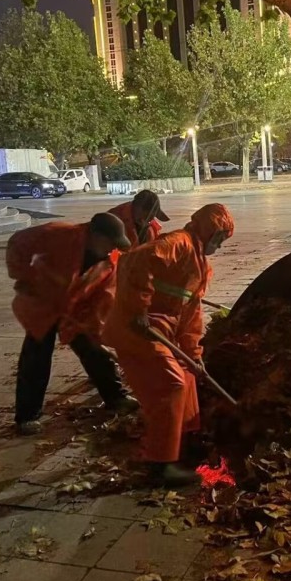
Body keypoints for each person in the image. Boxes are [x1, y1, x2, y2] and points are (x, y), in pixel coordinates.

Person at [102, 203, 235, 486]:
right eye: (220, 238)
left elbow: (190, 315)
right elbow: (133, 261)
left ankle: (182, 443)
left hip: (160, 331)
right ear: (209, 230)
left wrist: (193, 355)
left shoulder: (200, 265)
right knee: (170, 385)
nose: (220, 245)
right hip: (138, 329)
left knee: (187, 377)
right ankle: (161, 465)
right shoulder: (179, 244)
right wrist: (138, 309)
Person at [8, 213, 133, 435]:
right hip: (43, 305)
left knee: (94, 351)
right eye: (109, 243)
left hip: (75, 310)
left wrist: (95, 327)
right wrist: (24, 275)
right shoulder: (60, 234)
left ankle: (115, 397)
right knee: (36, 357)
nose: (111, 249)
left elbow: (103, 299)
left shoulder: (108, 264)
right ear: (95, 235)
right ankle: (27, 416)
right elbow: (18, 242)